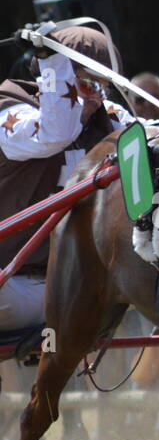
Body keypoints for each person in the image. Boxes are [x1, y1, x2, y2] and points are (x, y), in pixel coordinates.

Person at [0, 26, 131, 332]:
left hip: (79, 284)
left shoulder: (111, 117)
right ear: (52, 76)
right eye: (87, 84)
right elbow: (56, 132)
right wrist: (51, 56)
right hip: (11, 285)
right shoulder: (9, 111)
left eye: (104, 86)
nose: (97, 97)